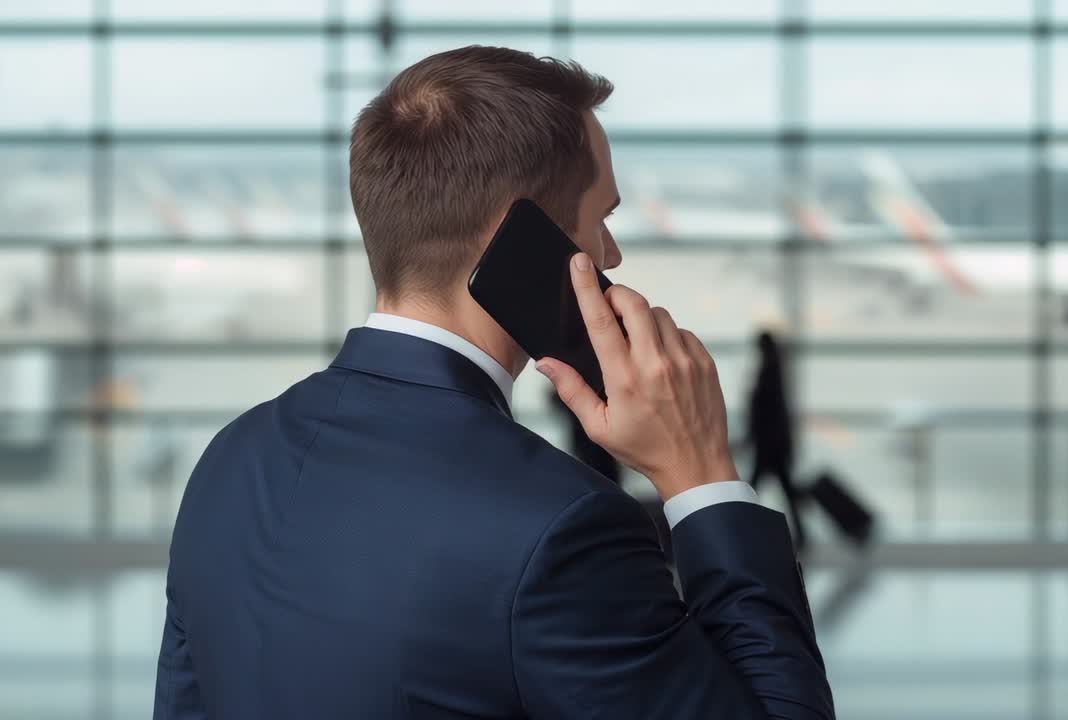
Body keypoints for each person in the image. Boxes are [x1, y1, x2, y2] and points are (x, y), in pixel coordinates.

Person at [154, 47, 834, 720]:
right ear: (525, 239)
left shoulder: (228, 461)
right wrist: (702, 474)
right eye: (602, 218)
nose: (612, 255)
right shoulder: (564, 528)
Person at [746, 330, 808, 551]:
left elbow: (763, 413)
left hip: (769, 446)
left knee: (752, 491)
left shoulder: (768, 373)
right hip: (774, 445)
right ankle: (802, 535)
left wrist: (751, 437)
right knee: (781, 491)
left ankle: (742, 528)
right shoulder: (775, 371)